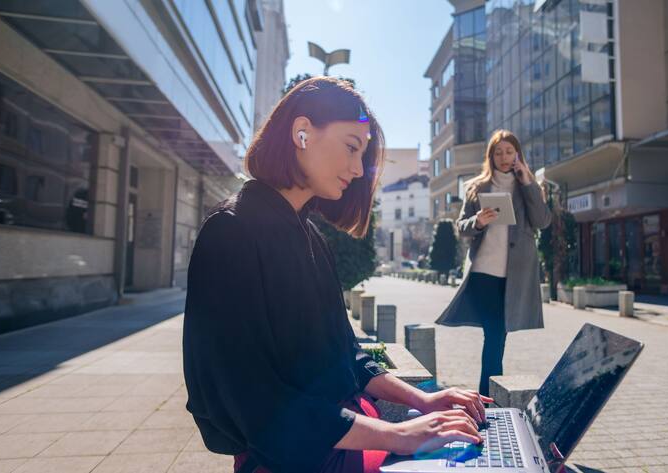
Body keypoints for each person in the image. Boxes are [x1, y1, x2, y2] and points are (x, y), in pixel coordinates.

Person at [182, 77, 492, 473]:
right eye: (351, 147)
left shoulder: (309, 233)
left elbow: (347, 355)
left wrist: (425, 400)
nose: (359, 169)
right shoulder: (231, 230)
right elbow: (252, 400)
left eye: (362, 154)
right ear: (302, 132)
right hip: (293, 459)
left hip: (345, 437)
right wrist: (399, 435)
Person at [436, 130, 551, 397]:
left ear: (518, 154)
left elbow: (542, 221)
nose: (504, 157)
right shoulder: (476, 186)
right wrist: (478, 221)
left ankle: (487, 400)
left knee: (497, 338)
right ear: (491, 156)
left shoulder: (529, 187)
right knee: (495, 337)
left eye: (509, 151)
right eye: (498, 152)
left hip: (515, 277)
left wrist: (527, 182)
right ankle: (488, 400)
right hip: (484, 273)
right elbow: (461, 228)